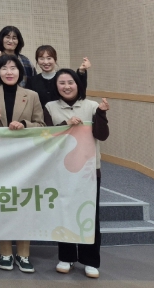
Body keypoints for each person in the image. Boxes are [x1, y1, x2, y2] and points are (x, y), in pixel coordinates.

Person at [0, 54, 45, 273]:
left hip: (25, 158)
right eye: (4, 68)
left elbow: (41, 124)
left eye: (13, 68)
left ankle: (24, 254)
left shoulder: (32, 95)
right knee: (3, 203)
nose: (9, 72)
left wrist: (25, 124)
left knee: (24, 204)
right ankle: (5, 252)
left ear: (20, 72)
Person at [44, 69, 109, 279]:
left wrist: (101, 114)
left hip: (89, 170)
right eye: (61, 83)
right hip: (61, 170)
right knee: (64, 211)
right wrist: (65, 125)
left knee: (90, 215)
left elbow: (102, 135)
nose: (66, 86)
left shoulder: (92, 106)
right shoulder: (50, 107)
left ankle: (90, 260)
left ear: (77, 84)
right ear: (56, 86)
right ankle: (66, 257)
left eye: (70, 82)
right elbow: (46, 136)